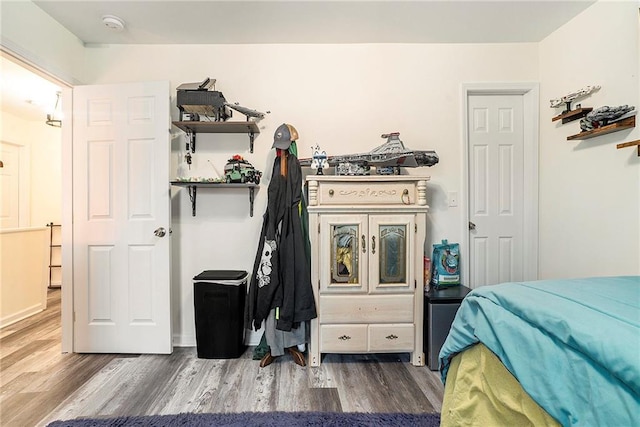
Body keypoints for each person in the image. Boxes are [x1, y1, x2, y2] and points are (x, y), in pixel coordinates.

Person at [245, 123, 317, 367]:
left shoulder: (294, 165)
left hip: (291, 232)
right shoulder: (276, 164)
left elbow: (294, 199)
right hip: (274, 230)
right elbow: (273, 197)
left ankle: (294, 344)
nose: (281, 151)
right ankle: (274, 346)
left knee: (292, 286)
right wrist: (274, 229)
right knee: (272, 286)